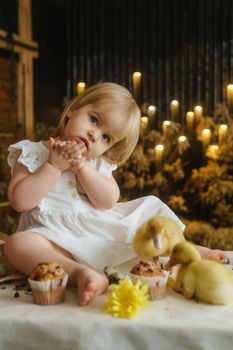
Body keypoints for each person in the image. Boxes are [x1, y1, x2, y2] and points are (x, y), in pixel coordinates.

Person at [4, 82, 226, 306]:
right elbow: (20, 201)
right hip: (53, 239)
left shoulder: (95, 163)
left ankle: (188, 252)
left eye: (106, 138)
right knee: (18, 244)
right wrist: (52, 167)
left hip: (98, 231)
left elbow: (109, 201)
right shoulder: (31, 152)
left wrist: (82, 168)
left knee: (143, 229)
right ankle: (81, 274)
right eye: (94, 120)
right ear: (73, 109)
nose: (94, 135)